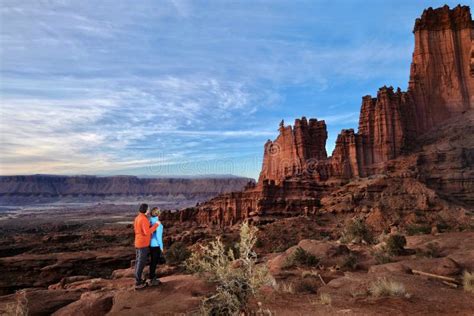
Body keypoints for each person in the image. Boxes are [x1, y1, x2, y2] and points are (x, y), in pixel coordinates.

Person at [133, 203, 160, 289]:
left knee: (138, 262)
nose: (149, 210)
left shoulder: (138, 218)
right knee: (141, 262)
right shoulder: (143, 219)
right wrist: (156, 225)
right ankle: (138, 282)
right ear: (145, 210)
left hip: (138, 242)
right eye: (148, 209)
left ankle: (138, 280)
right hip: (143, 244)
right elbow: (147, 232)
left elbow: (138, 229)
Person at [148, 207, 164, 286]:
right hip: (156, 245)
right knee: (154, 262)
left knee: (152, 262)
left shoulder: (150, 221)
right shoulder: (158, 223)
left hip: (149, 244)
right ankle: (152, 278)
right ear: (158, 214)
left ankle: (151, 277)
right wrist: (161, 247)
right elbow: (158, 237)